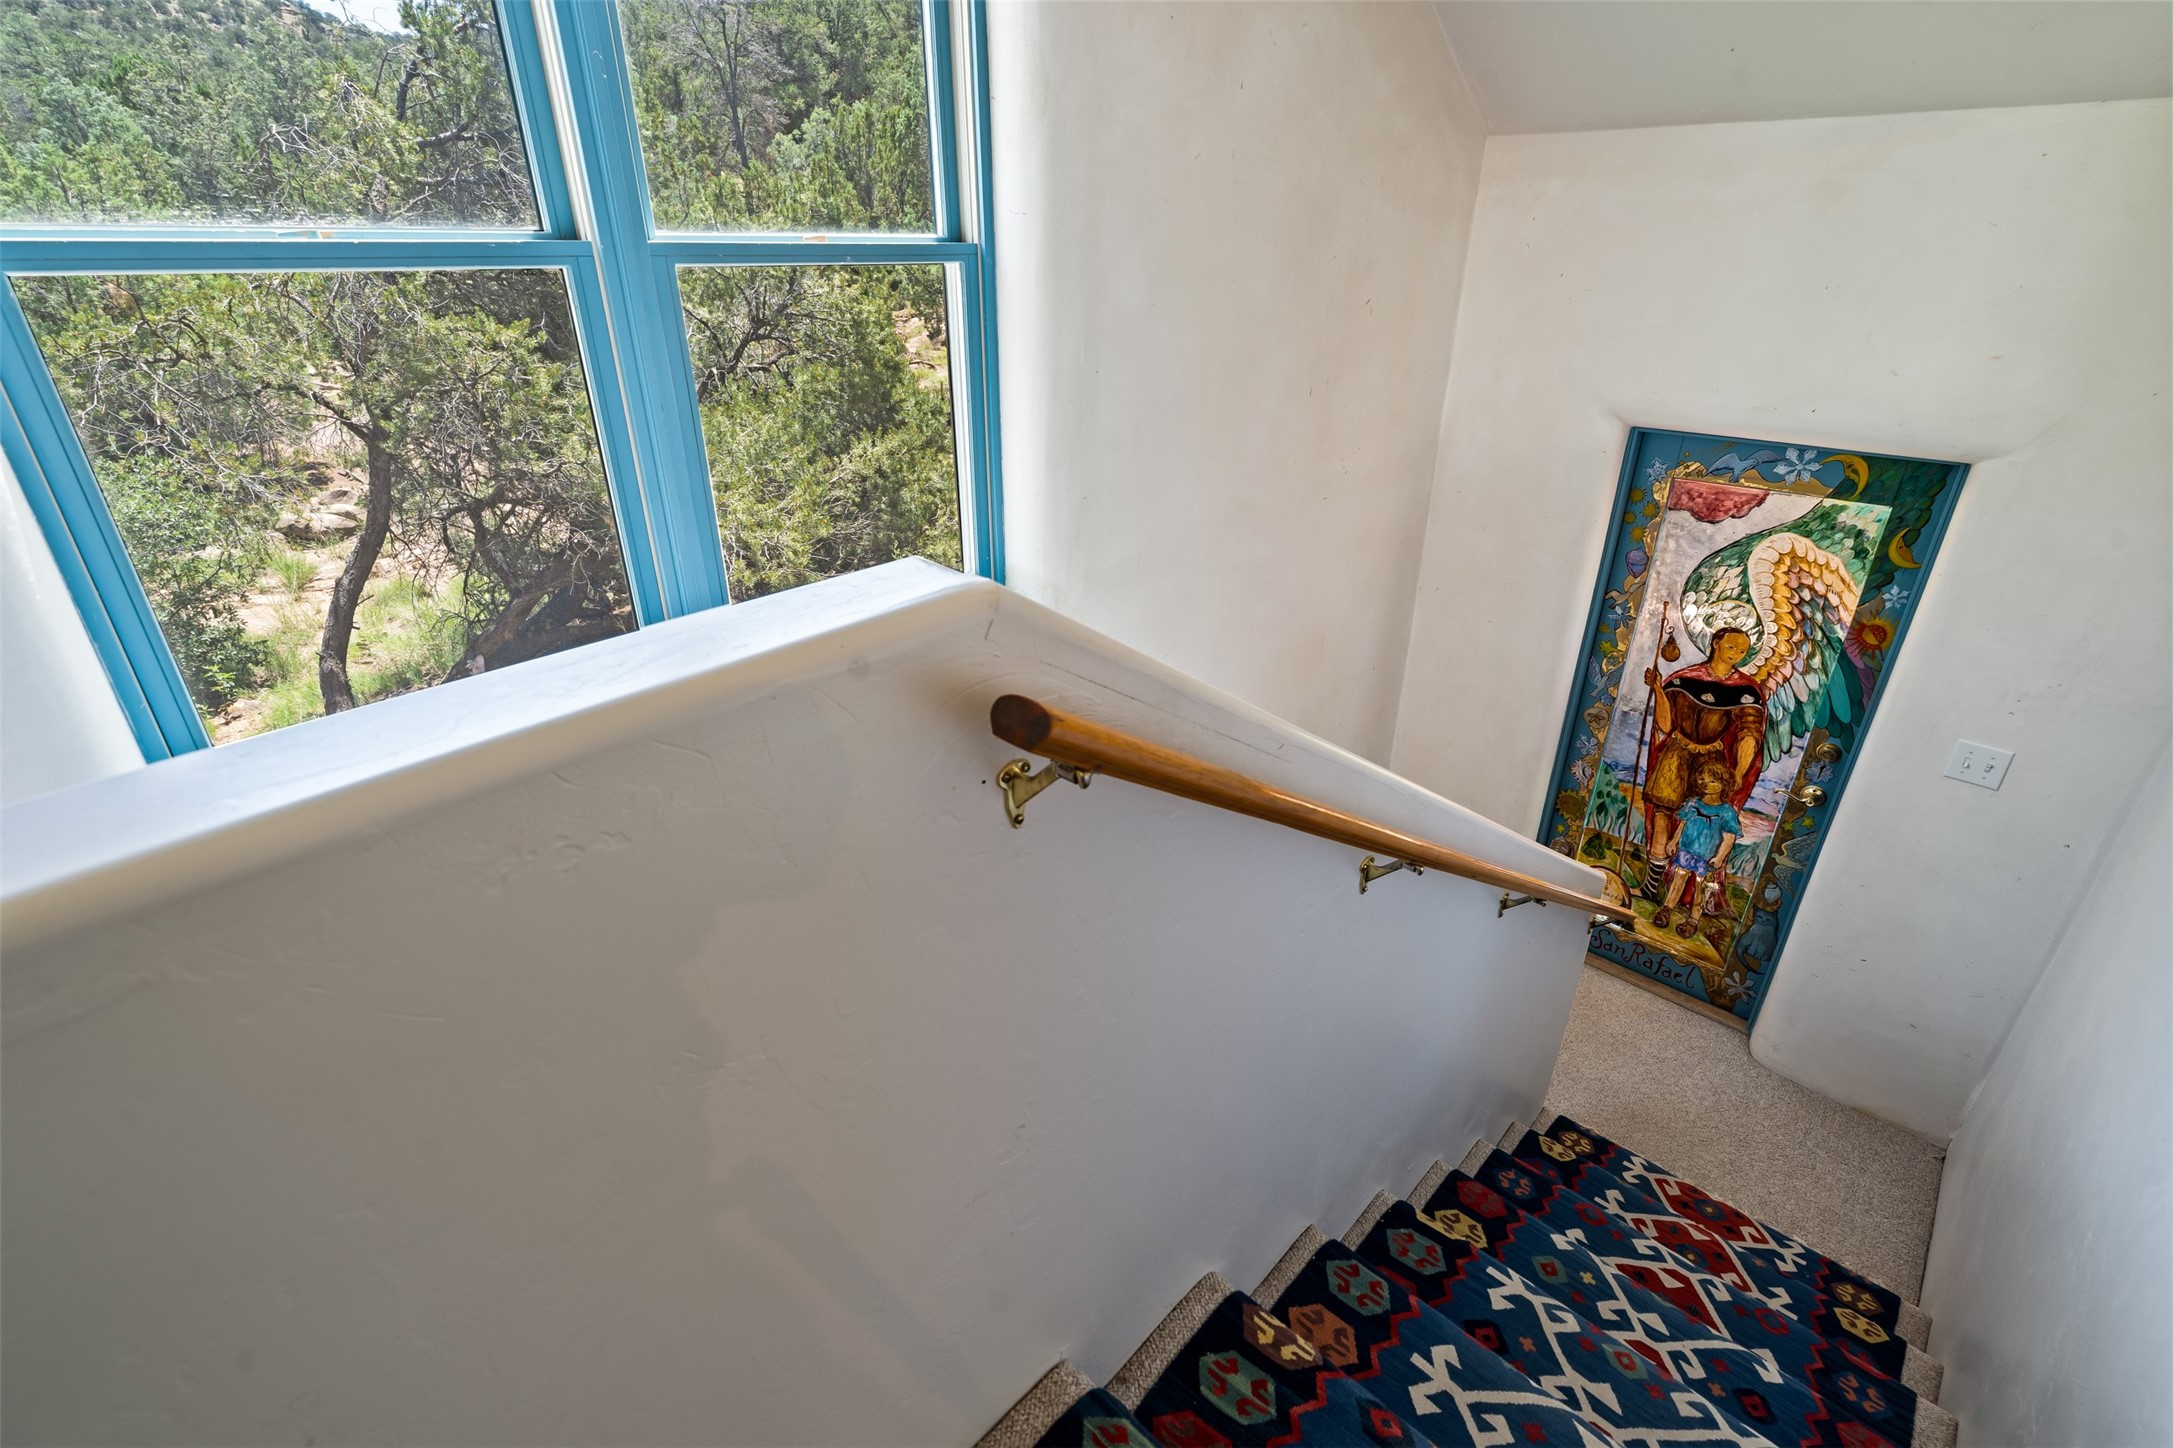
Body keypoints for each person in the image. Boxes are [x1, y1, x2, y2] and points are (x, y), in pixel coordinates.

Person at [1640, 626, 1765, 901]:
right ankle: (1651, 886)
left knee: (1700, 822)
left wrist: (1739, 772)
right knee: (1662, 815)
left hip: (1711, 762)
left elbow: (1749, 735)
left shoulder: (1745, 690)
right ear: (1716, 643)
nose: (1736, 654)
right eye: (1731, 647)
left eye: (1742, 651)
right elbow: (1666, 725)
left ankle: (1684, 895)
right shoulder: (1684, 679)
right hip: (1676, 754)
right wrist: (1658, 689)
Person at [1652, 759, 1741, 936]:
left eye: (1712, 781)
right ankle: (1666, 910)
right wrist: (1673, 841)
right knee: (1678, 879)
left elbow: (1729, 838)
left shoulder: (1726, 812)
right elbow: (1682, 824)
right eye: (1703, 780)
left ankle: (1692, 921)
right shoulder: (1693, 803)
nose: (1706, 784)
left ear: (1723, 784)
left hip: (1706, 856)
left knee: (1701, 887)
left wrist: (1719, 857)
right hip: (1686, 850)